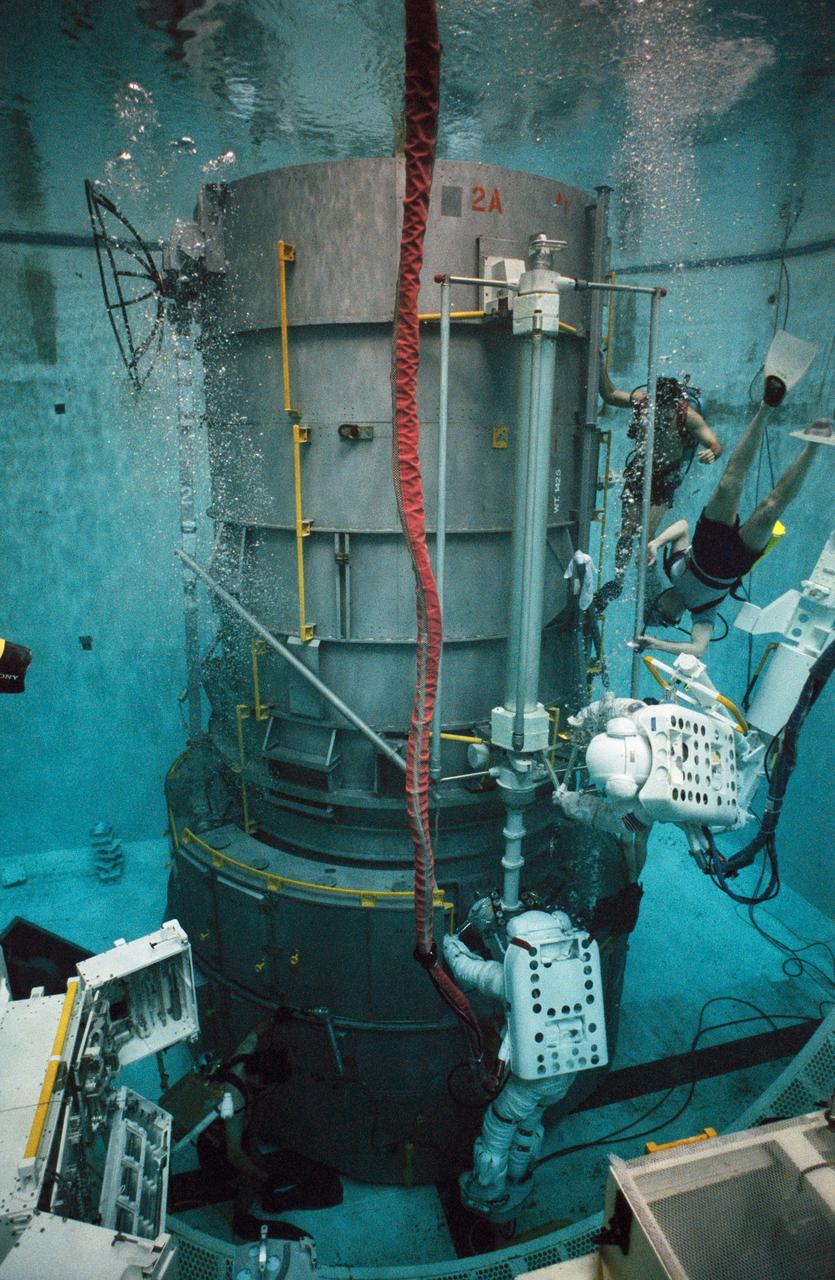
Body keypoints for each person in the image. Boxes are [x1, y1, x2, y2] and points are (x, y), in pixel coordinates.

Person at [636, 401, 832, 658]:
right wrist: (655, 644)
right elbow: (698, 649)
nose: (666, 610)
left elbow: (682, 527)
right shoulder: (703, 612)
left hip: (707, 543)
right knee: (771, 508)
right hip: (734, 563)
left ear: (657, 600)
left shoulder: (671, 569)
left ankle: (766, 407)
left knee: (730, 481)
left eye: (659, 610)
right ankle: (813, 446)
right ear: (677, 618)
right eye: (667, 618)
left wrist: (656, 543)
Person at [171, 1015, 343, 1241]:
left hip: (221, 1136)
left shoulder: (243, 1056)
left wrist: (276, 1017)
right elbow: (234, 1153)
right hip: (216, 1151)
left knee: (256, 1157)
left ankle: (256, 1177)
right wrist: (257, 1174)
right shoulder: (235, 1101)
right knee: (252, 1177)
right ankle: (240, 1219)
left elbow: (255, 1032)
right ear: (263, 1081)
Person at [594, 369, 723, 608]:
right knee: (627, 532)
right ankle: (617, 582)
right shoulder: (642, 403)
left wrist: (712, 453)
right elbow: (610, 395)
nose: (659, 416)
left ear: (675, 405)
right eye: (656, 409)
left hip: (664, 478)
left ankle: (650, 582)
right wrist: (600, 365)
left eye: (665, 411)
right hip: (639, 473)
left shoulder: (688, 417)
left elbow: (715, 443)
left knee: (645, 533)